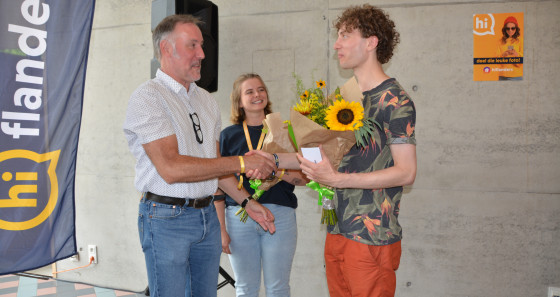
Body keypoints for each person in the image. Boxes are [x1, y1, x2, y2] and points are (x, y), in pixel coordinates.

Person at [251, 4, 415, 296]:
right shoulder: (343, 98)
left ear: (371, 42)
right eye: (337, 35)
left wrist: (338, 180)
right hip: (338, 229)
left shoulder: (394, 100)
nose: (336, 44)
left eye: (345, 35)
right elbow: (320, 155)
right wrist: (274, 159)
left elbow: (406, 172)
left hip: (372, 234)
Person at [123, 15, 277, 297]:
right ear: (167, 49)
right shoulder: (148, 97)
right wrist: (242, 161)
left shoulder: (205, 99)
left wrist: (247, 202)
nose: (202, 54)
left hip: (206, 216)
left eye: (201, 45)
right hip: (166, 218)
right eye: (193, 45)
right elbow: (171, 168)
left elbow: (214, 167)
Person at [215, 73, 308, 297]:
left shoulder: (284, 131)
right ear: (239, 101)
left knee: (278, 287)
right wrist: (221, 229)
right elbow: (218, 185)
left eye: (261, 89)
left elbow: (304, 178)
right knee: (245, 288)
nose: (257, 94)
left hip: (280, 216)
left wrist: (275, 168)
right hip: (238, 217)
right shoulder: (227, 136)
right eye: (249, 91)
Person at [496, 16, 523, 80]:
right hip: (503, 75)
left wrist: (516, 54)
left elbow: (524, 59)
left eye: (513, 28)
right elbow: (495, 59)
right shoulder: (500, 41)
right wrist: (503, 55)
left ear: (516, 29)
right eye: (508, 28)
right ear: (505, 29)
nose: (510, 30)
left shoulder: (521, 41)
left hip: (516, 76)